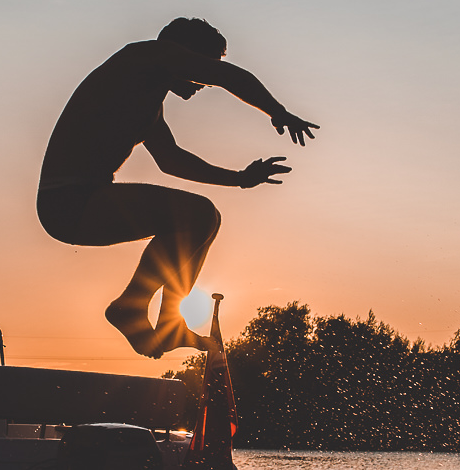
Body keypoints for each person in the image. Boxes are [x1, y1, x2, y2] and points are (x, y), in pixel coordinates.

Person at [38, 18, 318, 356]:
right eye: (204, 68)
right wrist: (279, 112)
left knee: (205, 219)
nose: (205, 82)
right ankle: (130, 306)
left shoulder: (147, 101)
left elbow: (171, 161)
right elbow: (230, 77)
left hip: (81, 202)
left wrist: (240, 178)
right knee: (198, 213)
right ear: (183, 54)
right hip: (67, 200)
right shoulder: (145, 57)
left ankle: (172, 322)